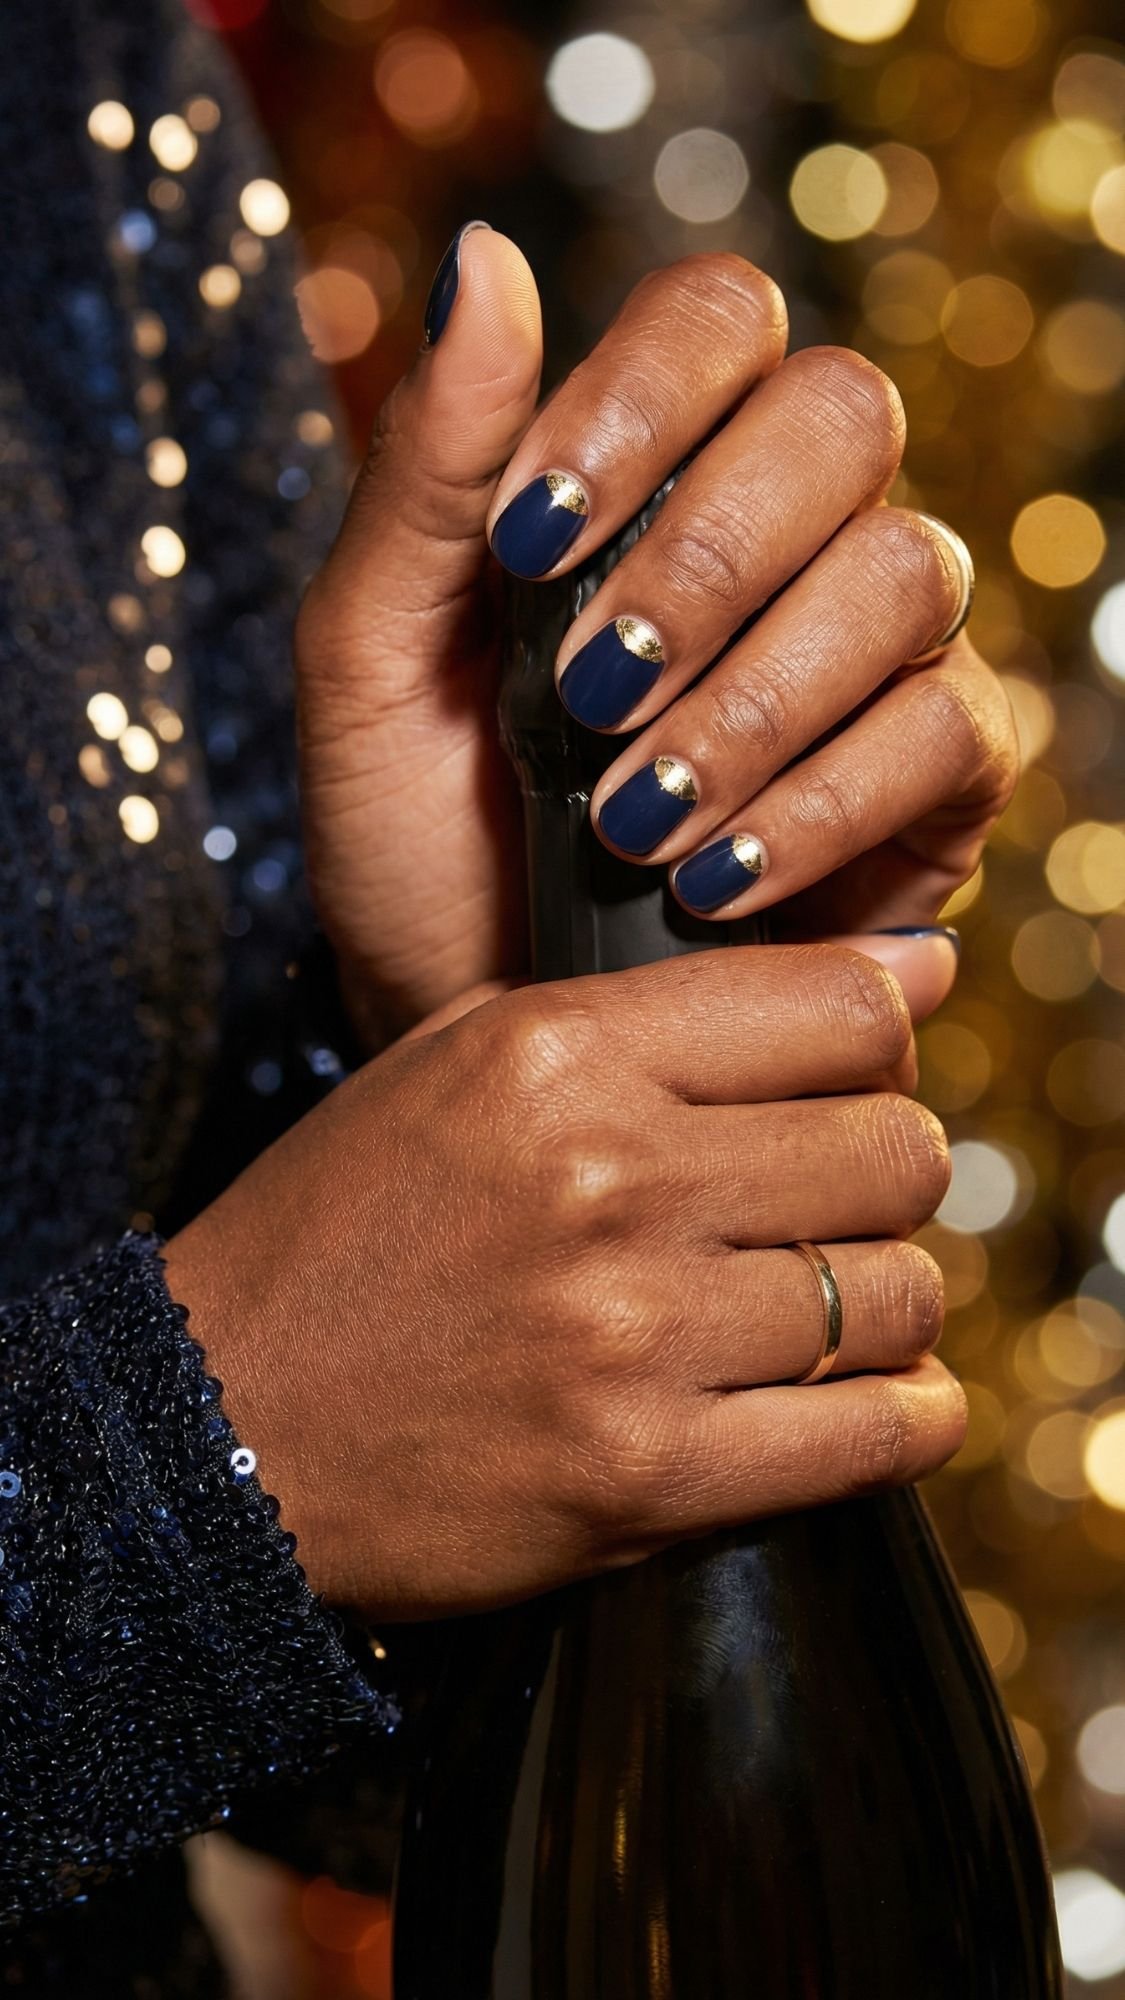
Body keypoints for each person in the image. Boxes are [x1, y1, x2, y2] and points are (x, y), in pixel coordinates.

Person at [0, 1, 1017, 1990]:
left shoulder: (67, 75)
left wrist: (488, 1036)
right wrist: (198, 1487)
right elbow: (241, 1416)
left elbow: (215, 1244)